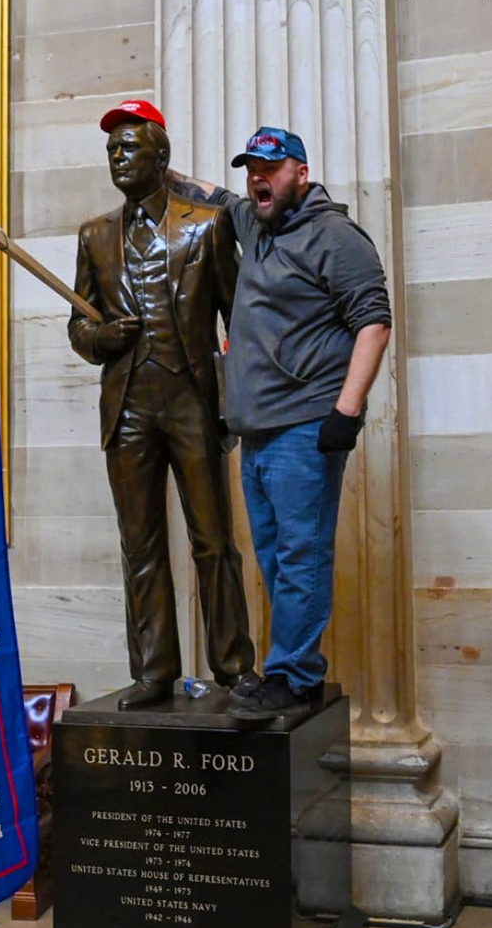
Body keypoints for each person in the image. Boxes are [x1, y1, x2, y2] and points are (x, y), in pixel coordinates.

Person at [167, 126, 392, 721]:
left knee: (301, 554)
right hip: (257, 430)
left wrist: (345, 412)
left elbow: (374, 322)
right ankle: (297, 670)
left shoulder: (335, 236)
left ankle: (292, 676)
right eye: (252, 169)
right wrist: (157, 163)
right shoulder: (256, 225)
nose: (258, 178)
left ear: (302, 171)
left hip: (306, 423)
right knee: (273, 555)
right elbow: (213, 196)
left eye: (271, 167)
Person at [68, 99, 257, 710]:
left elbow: (240, 323)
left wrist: (241, 407)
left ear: (161, 154)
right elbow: (79, 327)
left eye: (129, 147)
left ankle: (232, 667)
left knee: (213, 539)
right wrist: (101, 337)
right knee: (140, 544)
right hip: (127, 411)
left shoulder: (206, 225)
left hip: (191, 404)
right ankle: (154, 671)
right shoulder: (95, 235)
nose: (118, 158)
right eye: (111, 150)